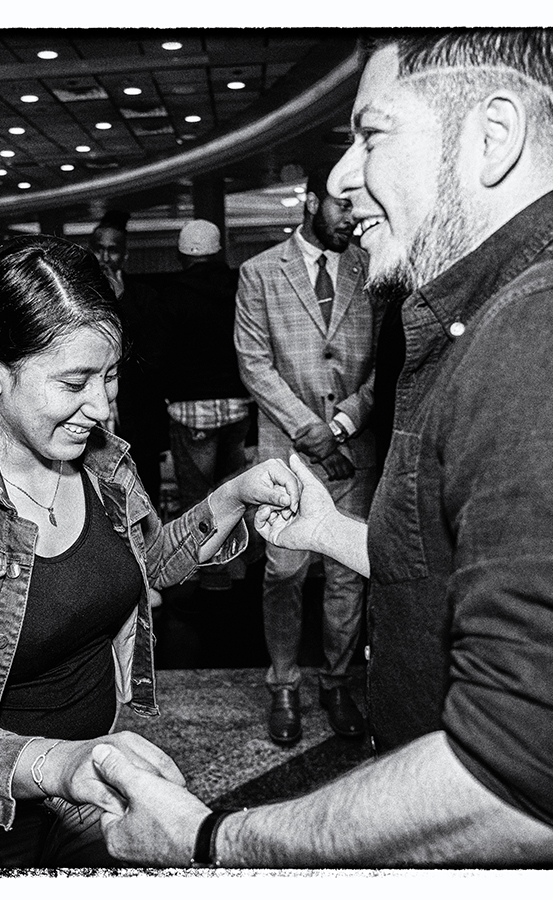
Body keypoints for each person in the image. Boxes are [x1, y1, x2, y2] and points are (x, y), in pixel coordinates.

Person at [90, 30, 553, 868]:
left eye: (372, 135)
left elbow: (526, 789)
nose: (342, 178)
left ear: (493, 135)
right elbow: (484, 562)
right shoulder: (492, 315)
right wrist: (329, 533)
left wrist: (213, 839)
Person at [0, 235, 301, 867]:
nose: (101, 407)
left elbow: (143, 564)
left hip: (84, 790)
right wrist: (61, 763)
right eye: (74, 382)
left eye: (109, 378)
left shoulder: (101, 459)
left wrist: (232, 498)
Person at [233, 167, 379, 744]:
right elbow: (254, 364)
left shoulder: (374, 267)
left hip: (355, 449)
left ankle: (338, 682)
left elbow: (386, 365)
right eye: (343, 205)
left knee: (348, 576)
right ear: (313, 202)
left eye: (357, 206)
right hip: (285, 454)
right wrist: (311, 433)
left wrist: (341, 425)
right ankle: (285, 685)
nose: (352, 217)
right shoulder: (260, 272)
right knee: (284, 572)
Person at [161, 220, 251, 577]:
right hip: (237, 405)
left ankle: (202, 574)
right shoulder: (239, 286)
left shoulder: (169, 294)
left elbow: (161, 354)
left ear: (181, 254)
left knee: (197, 498)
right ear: (218, 251)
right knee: (236, 494)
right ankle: (236, 567)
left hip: (188, 408)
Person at [90, 211, 168, 510]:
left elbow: (153, 358)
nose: (104, 257)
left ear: (125, 255)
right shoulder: (73, 295)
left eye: (112, 250)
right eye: (98, 249)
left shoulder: (145, 297)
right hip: (92, 417)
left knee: (144, 495)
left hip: (138, 416)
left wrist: (120, 302)